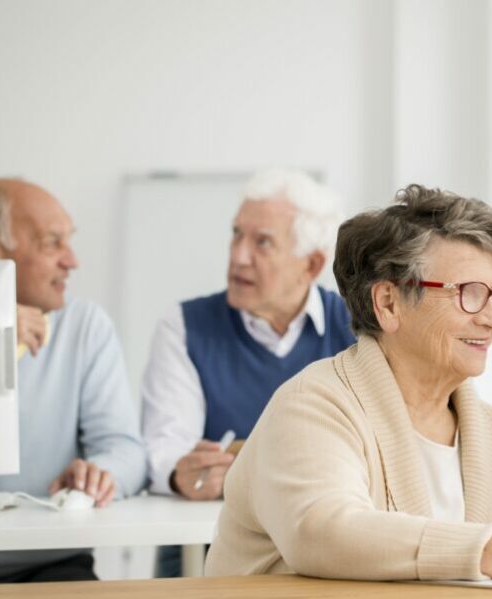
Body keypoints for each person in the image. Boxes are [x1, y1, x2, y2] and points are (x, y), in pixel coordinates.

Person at [204, 184, 492, 581]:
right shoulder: (311, 406)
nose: (491, 318)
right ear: (388, 303)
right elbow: (323, 531)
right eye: (468, 292)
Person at [141, 168, 356, 576]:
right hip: (205, 547)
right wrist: (180, 473)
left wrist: (247, 474)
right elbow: (165, 448)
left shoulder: (358, 328)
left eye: (262, 242)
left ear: (311, 265)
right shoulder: (184, 326)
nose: (239, 255)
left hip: (321, 548)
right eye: (236, 234)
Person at [0, 179, 147, 583]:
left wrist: (98, 472)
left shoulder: (84, 327)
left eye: (69, 241)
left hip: (50, 567)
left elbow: (127, 451)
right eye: (52, 243)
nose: (72, 261)